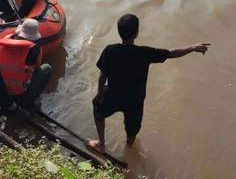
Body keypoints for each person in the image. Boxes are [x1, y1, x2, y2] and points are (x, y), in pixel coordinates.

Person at [85, 14, 210, 154]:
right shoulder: (144, 53)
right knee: (132, 130)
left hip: (114, 93)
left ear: (119, 31)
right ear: (136, 33)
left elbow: (103, 74)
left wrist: (100, 92)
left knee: (98, 107)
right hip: (135, 100)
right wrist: (193, 47)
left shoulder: (110, 50)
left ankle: (101, 145)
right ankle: (129, 149)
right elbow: (171, 53)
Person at [0, 18, 53, 109]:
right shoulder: (35, 49)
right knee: (46, 68)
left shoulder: (5, 40)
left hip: (0, 89)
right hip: (18, 94)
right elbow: (37, 68)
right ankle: (31, 98)